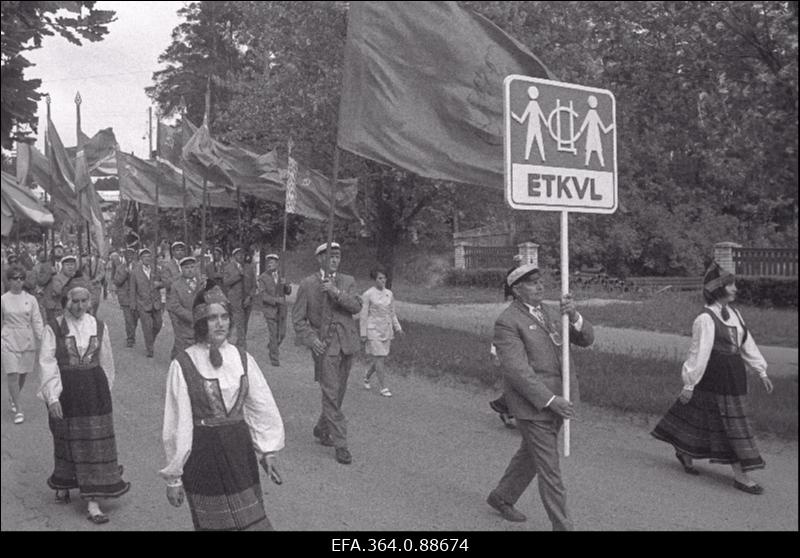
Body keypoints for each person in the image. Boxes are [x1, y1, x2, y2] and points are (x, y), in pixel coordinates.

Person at [160, 281, 285, 531]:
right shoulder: (184, 363)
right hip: (203, 455)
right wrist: (174, 478)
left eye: (225, 317)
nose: (220, 324)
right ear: (200, 323)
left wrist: (267, 451)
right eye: (212, 318)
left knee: (252, 521)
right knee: (215, 524)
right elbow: (177, 423)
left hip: (239, 452)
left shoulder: (241, 358)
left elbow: (261, 407)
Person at [486, 263, 594, 531]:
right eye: (533, 283)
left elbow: (586, 339)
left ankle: (501, 497)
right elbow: (517, 370)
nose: (540, 286)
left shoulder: (551, 312)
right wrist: (549, 400)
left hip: (561, 399)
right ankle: (563, 526)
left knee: (531, 455)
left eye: (540, 281)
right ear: (517, 290)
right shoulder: (508, 322)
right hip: (534, 406)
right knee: (550, 470)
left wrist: (575, 315)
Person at [651, 262, 773, 495]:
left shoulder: (735, 314)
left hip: (735, 376)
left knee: (699, 413)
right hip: (715, 376)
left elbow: (747, 344)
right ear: (719, 289)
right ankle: (742, 476)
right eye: (731, 285)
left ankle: (685, 451)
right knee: (731, 425)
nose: (736, 288)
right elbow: (699, 352)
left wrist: (761, 371)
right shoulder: (705, 319)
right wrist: (689, 382)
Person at [38, 286, 130, 524]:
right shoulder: (54, 327)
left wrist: (102, 390)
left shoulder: (98, 326)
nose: (79, 306)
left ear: (90, 301)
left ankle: (93, 501)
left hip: (94, 390)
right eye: (75, 301)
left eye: (84, 301)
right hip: (66, 389)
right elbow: (48, 363)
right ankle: (65, 481)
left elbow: (106, 361)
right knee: (66, 437)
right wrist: (53, 397)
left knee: (94, 445)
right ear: (66, 302)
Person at [292, 241, 362, 465]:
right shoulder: (308, 284)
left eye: (337, 256)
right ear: (320, 258)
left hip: (347, 344)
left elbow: (356, 306)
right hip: (325, 346)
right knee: (331, 393)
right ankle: (341, 444)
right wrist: (312, 340)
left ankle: (322, 427)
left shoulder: (347, 281)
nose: (334, 260)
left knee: (338, 393)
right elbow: (298, 319)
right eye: (330, 256)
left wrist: (335, 292)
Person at [2, 265, 45, 424]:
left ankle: (14, 397)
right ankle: (19, 409)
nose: (18, 282)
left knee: (23, 373)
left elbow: (37, 320)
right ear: (9, 280)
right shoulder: (3, 300)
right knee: (12, 373)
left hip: (26, 338)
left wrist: (42, 338)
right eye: (15, 278)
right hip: (8, 338)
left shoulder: (30, 299)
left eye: (21, 278)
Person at [359, 265, 403, 397]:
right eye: (379, 278)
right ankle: (383, 387)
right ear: (374, 279)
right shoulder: (368, 294)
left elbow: (392, 313)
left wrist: (398, 328)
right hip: (373, 330)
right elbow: (363, 315)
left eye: (384, 278)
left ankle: (367, 376)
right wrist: (363, 333)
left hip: (386, 330)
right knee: (379, 358)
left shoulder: (389, 294)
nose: (382, 281)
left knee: (381, 357)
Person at [257, 253, 292, 366]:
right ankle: (274, 358)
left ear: (277, 264)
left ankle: (272, 346)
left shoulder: (282, 276)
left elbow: (288, 291)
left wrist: (286, 285)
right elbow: (262, 296)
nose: (269, 264)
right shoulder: (262, 277)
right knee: (273, 334)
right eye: (268, 262)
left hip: (282, 310)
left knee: (282, 334)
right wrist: (276, 300)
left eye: (272, 262)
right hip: (270, 310)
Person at [129, 248, 164, 358]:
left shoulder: (156, 270)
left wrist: (160, 284)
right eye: (145, 257)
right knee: (147, 327)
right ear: (140, 259)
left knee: (158, 324)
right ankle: (150, 349)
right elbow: (132, 289)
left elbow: (164, 282)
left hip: (156, 302)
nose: (147, 259)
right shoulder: (135, 272)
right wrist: (133, 304)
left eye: (149, 256)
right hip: (143, 304)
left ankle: (150, 340)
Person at [166, 256, 200, 360]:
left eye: (192, 267)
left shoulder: (202, 283)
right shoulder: (176, 286)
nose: (190, 270)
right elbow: (174, 306)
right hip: (184, 322)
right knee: (184, 346)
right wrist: (189, 316)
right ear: (182, 269)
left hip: (201, 320)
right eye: (187, 268)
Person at [222, 247, 251, 350]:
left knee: (245, 322)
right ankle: (241, 346)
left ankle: (239, 342)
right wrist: (238, 276)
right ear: (234, 256)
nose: (241, 256)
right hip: (235, 300)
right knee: (239, 321)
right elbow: (226, 282)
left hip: (247, 300)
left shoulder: (249, 267)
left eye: (242, 254)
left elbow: (254, 284)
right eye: (238, 254)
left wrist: (249, 297)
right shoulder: (228, 267)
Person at [114, 248, 139, 348]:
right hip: (125, 298)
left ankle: (132, 333)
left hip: (137, 298)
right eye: (127, 254)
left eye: (131, 254)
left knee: (134, 319)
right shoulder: (120, 268)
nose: (129, 256)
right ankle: (130, 338)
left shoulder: (139, 267)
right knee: (128, 319)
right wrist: (125, 273)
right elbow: (117, 281)